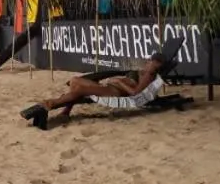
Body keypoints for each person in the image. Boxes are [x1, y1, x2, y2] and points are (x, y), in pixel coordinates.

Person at [21, 51, 171, 130]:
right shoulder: (146, 71)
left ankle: (50, 104)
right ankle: (65, 110)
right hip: (110, 87)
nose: (148, 63)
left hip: (114, 92)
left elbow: (135, 94)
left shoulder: (149, 76)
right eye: (149, 61)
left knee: (79, 89)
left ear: (155, 64)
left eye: (151, 62)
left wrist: (119, 81)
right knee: (75, 81)